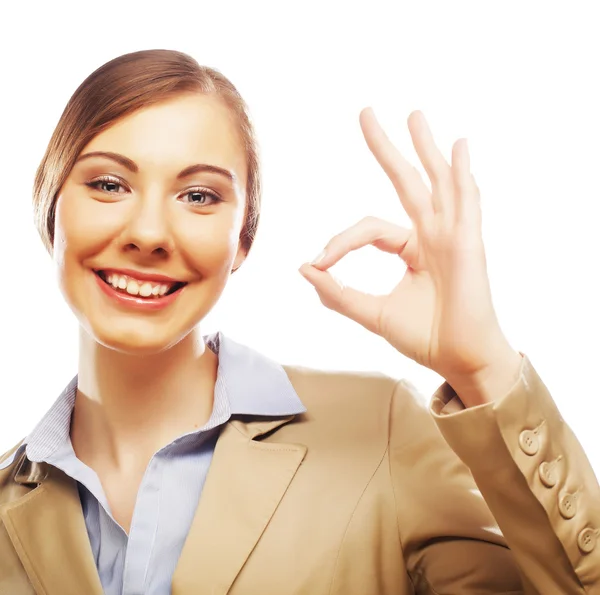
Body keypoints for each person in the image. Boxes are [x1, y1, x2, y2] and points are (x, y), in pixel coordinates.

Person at [0, 49, 597, 595]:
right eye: (109, 184)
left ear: (243, 243)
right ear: (50, 211)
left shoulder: (378, 433)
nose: (150, 234)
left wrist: (484, 365)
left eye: (200, 196)